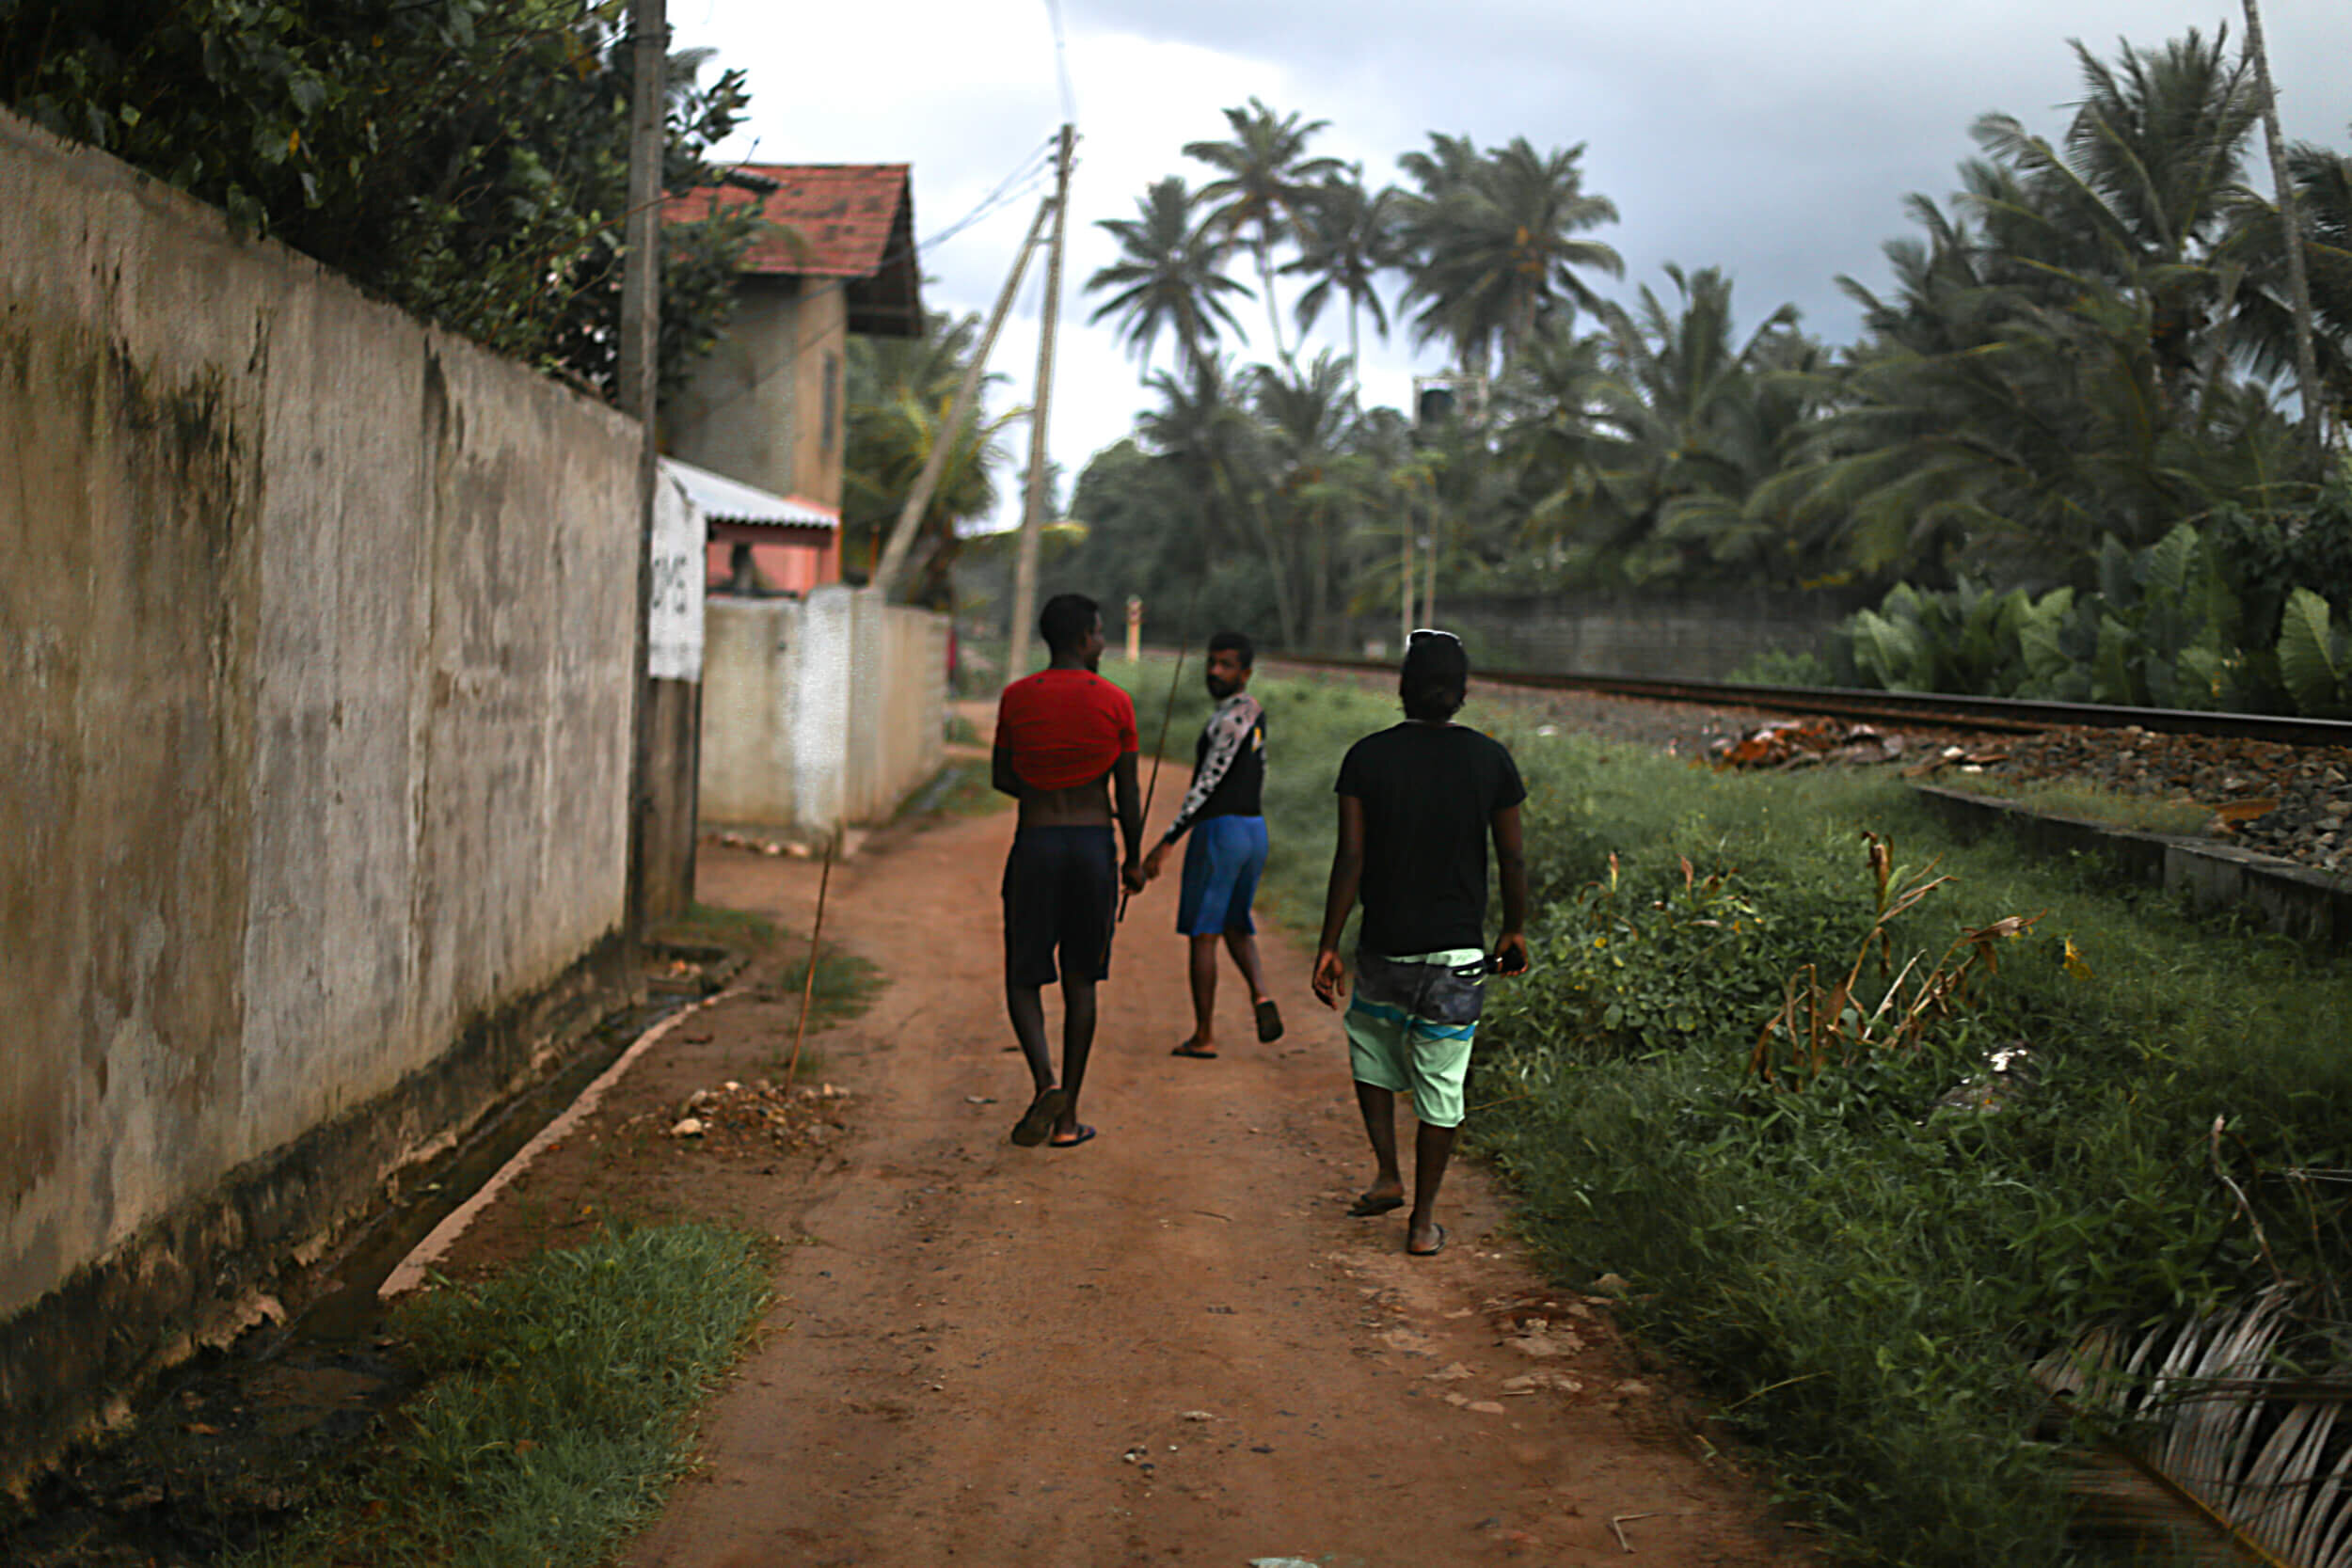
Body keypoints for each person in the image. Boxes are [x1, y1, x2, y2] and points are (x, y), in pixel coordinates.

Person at [1310, 629, 1529, 1257]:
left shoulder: (1366, 757)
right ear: (1462, 693)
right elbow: (1511, 856)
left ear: (1401, 687)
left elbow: (1350, 857)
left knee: (1373, 1054)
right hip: (1458, 955)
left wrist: (1329, 942)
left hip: (1385, 946)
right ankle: (1423, 1221)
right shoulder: (1491, 760)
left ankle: (1386, 1171)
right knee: (1443, 1081)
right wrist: (1513, 927)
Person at [993, 594, 1148, 1149]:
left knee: (1023, 975)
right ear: (1086, 638)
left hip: (1035, 842)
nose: (1103, 643)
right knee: (1081, 980)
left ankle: (1044, 1082)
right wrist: (1132, 859)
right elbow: (1127, 792)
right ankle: (1066, 1120)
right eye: (1101, 634)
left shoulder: (1016, 698)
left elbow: (1002, 777)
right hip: (1091, 848)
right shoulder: (1115, 702)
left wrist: (1043, 783)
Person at [1141, 631, 1279, 1059]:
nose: (1214, 671)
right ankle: (1261, 995)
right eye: (1211, 662)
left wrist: (1167, 841)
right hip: (1254, 830)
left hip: (1222, 833)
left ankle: (1203, 1036)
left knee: (1204, 934)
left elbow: (1207, 784)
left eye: (1225, 664)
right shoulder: (1255, 713)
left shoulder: (1227, 720)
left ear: (1246, 672)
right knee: (1236, 922)